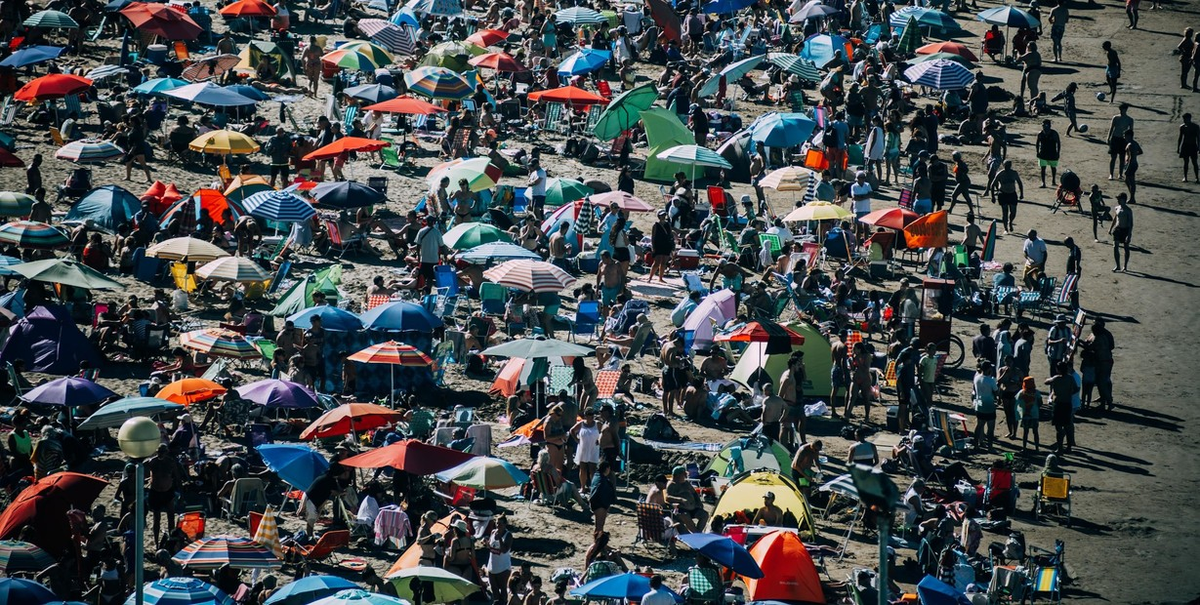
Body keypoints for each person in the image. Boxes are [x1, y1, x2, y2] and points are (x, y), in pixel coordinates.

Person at [145, 444, 183, 542]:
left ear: (166, 452)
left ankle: (171, 540)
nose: (160, 454)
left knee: (171, 517)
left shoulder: (171, 462)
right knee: (156, 518)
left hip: (168, 491)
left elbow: (177, 477)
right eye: (159, 452)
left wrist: (180, 492)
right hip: (155, 492)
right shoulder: (151, 462)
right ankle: (156, 541)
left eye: (163, 452)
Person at [1046, 362, 1079, 454]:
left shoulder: (1056, 378)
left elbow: (1046, 382)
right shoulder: (1070, 378)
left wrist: (1053, 378)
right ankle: (1069, 447)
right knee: (1067, 426)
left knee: (1059, 428)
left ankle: (1060, 448)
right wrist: (1068, 393)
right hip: (1067, 403)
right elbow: (1076, 389)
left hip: (1058, 404)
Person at [665, 465, 707, 532]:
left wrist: (699, 502)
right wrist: (680, 499)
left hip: (693, 508)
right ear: (677, 475)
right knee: (686, 517)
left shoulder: (686, 483)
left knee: (704, 515)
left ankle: (698, 532)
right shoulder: (671, 485)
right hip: (681, 509)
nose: (685, 476)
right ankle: (696, 533)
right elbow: (667, 498)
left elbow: (694, 493)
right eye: (683, 474)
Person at [986, 160, 1023, 234]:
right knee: (1005, 212)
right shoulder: (1000, 174)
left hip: (1012, 194)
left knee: (1013, 212)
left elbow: (1019, 183)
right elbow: (992, 185)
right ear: (1003, 165)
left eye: (1008, 166)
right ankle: (1006, 228)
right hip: (1003, 194)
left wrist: (1021, 193)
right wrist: (992, 196)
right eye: (1006, 166)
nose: (1007, 167)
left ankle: (1010, 222)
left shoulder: (1014, 173)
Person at [972, 361, 999, 450]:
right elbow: (996, 392)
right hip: (989, 406)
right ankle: (990, 447)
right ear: (988, 369)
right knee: (990, 428)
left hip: (979, 405)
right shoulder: (991, 380)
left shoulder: (976, 378)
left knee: (979, 426)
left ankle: (976, 444)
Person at [588, 461, 616, 533]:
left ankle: (599, 541)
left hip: (596, 503)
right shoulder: (602, 480)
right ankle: (597, 542)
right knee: (600, 525)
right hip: (600, 505)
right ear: (607, 469)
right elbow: (600, 492)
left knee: (598, 525)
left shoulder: (596, 476)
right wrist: (606, 505)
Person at [1016, 376, 1042, 452]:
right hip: (1035, 414)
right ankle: (1037, 448)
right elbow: (1040, 403)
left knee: (1025, 432)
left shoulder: (1021, 392)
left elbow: (1017, 402)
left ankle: (1024, 447)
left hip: (1025, 415)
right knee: (1035, 432)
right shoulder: (1036, 392)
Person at [1109, 193, 1133, 272]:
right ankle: (1118, 265)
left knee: (1126, 248)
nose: (1118, 201)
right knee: (1115, 247)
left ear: (1124, 200)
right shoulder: (1117, 208)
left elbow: (1130, 224)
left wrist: (1129, 235)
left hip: (1125, 230)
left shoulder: (1128, 211)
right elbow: (1115, 219)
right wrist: (1110, 228)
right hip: (1117, 229)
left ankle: (1125, 266)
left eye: (1120, 199)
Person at [1035, 120, 1061, 188]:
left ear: (1049, 126)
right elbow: (1037, 143)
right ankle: (1043, 182)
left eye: (1045, 125)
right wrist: (1037, 152)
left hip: (1052, 153)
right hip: (1043, 153)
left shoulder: (1054, 133)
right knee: (1043, 168)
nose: (1044, 127)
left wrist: (1058, 153)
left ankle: (1053, 181)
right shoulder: (1040, 133)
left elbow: (1058, 143)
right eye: (1043, 125)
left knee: (1053, 168)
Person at [1123, 129, 1142, 204]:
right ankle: (1132, 196)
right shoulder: (1135, 143)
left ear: (1129, 136)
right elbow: (1140, 151)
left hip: (1131, 164)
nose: (1124, 137)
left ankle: (1132, 197)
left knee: (1130, 181)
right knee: (1128, 180)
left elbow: (1130, 158)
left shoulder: (1130, 144)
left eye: (1125, 136)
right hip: (1134, 164)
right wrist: (1134, 154)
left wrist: (1127, 167)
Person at [1179, 114, 1200, 182]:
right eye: (1184, 119)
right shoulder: (1182, 127)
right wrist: (1178, 147)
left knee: (1194, 162)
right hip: (1185, 146)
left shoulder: (1195, 127)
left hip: (1193, 145)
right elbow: (1180, 137)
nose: (1185, 121)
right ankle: (1185, 177)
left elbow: (1198, 138)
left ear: (1190, 119)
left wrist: (1199, 147)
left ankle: (1197, 177)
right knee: (1186, 162)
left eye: (1186, 119)